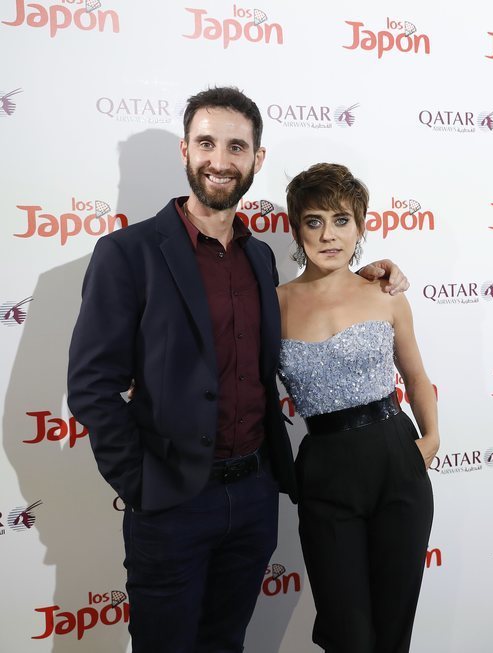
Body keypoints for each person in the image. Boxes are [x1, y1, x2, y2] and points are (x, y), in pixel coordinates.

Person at [67, 87, 408, 653]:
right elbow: (91, 387)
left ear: (257, 159)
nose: (219, 160)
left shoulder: (260, 257)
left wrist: (371, 274)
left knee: (227, 644)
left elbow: (319, 295)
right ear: (185, 150)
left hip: (254, 495)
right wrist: (143, 484)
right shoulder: (127, 254)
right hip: (171, 503)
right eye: (206, 143)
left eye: (235, 147)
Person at [277, 163, 438, 653]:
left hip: (396, 459)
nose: (329, 235)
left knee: (393, 631)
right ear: (296, 228)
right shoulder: (273, 303)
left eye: (342, 220)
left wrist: (429, 441)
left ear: (361, 226)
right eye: (314, 221)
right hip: (325, 472)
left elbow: (415, 376)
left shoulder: (384, 292)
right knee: (347, 634)